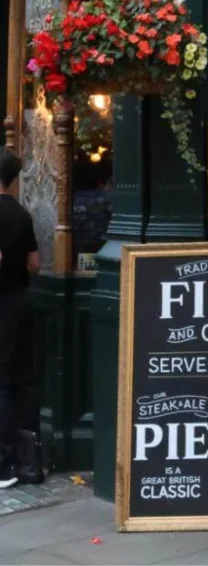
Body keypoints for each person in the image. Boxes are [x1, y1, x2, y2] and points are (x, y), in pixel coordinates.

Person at [0, 148, 41, 488]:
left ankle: (3, 464)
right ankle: (29, 460)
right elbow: (35, 264)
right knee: (22, 380)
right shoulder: (22, 214)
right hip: (19, 301)